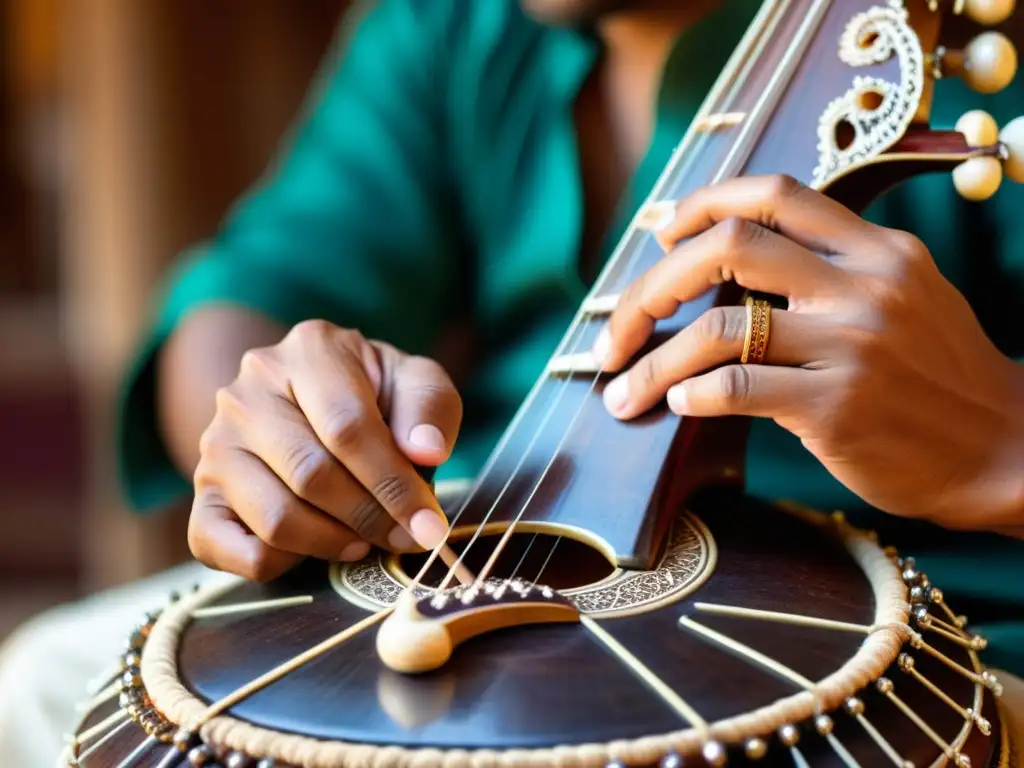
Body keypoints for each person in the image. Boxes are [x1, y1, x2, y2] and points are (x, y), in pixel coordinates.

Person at [2, 0, 1023, 764]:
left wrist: (1000, 449)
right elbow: (249, 294)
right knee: (45, 681)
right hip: (480, 560)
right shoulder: (461, 21)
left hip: (954, 646)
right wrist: (284, 425)